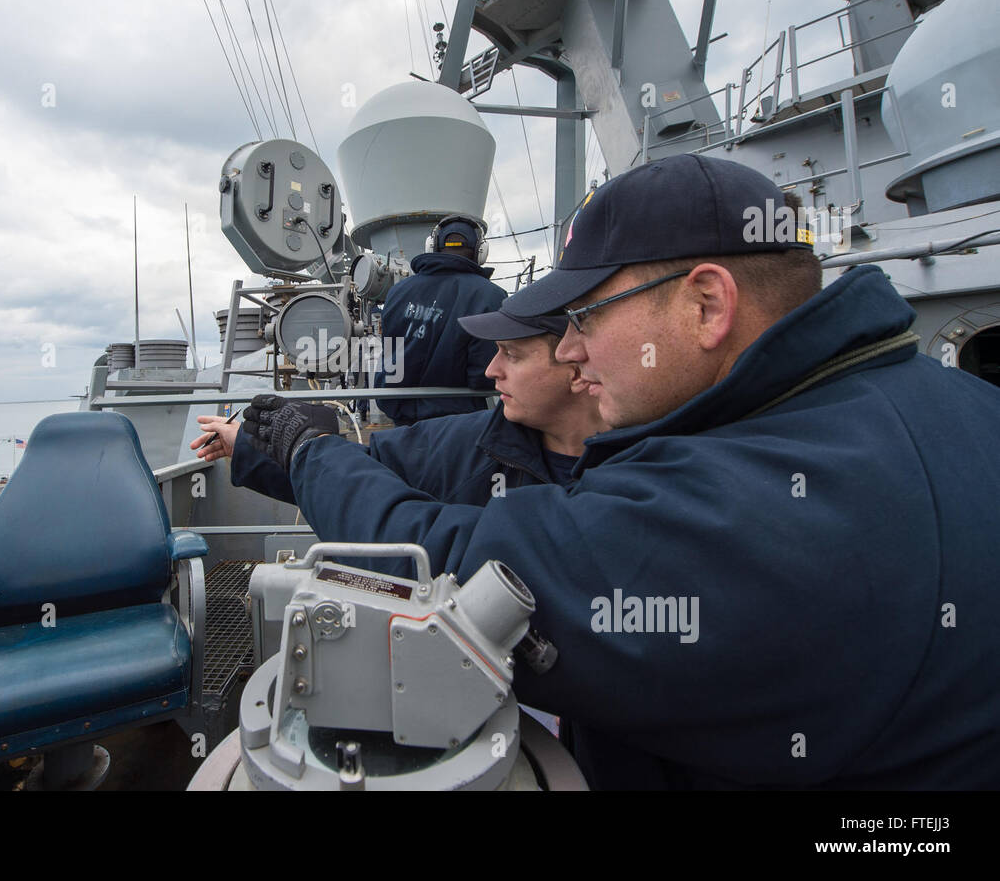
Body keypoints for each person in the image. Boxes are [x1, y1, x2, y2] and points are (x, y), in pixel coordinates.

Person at [240, 153, 1000, 789]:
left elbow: (467, 586)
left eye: (586, 318)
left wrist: (310, 451)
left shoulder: (753, 502)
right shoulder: (955, 405)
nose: (570, 352)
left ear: (707, 305)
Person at [191, 307, 608, 505]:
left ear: (576, 366)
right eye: (495, 353)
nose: (491, 371)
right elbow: (369, 463)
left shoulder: (651, 472)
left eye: (512, 355)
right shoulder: (466, 443)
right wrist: (247, 445)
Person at [372, 215, 506, 426]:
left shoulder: (398, 292)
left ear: (432, 246)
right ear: (481, 251)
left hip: (400, 420)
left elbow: (390, 356)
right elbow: (483, 376)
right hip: (458, 425)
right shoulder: (491, 297)